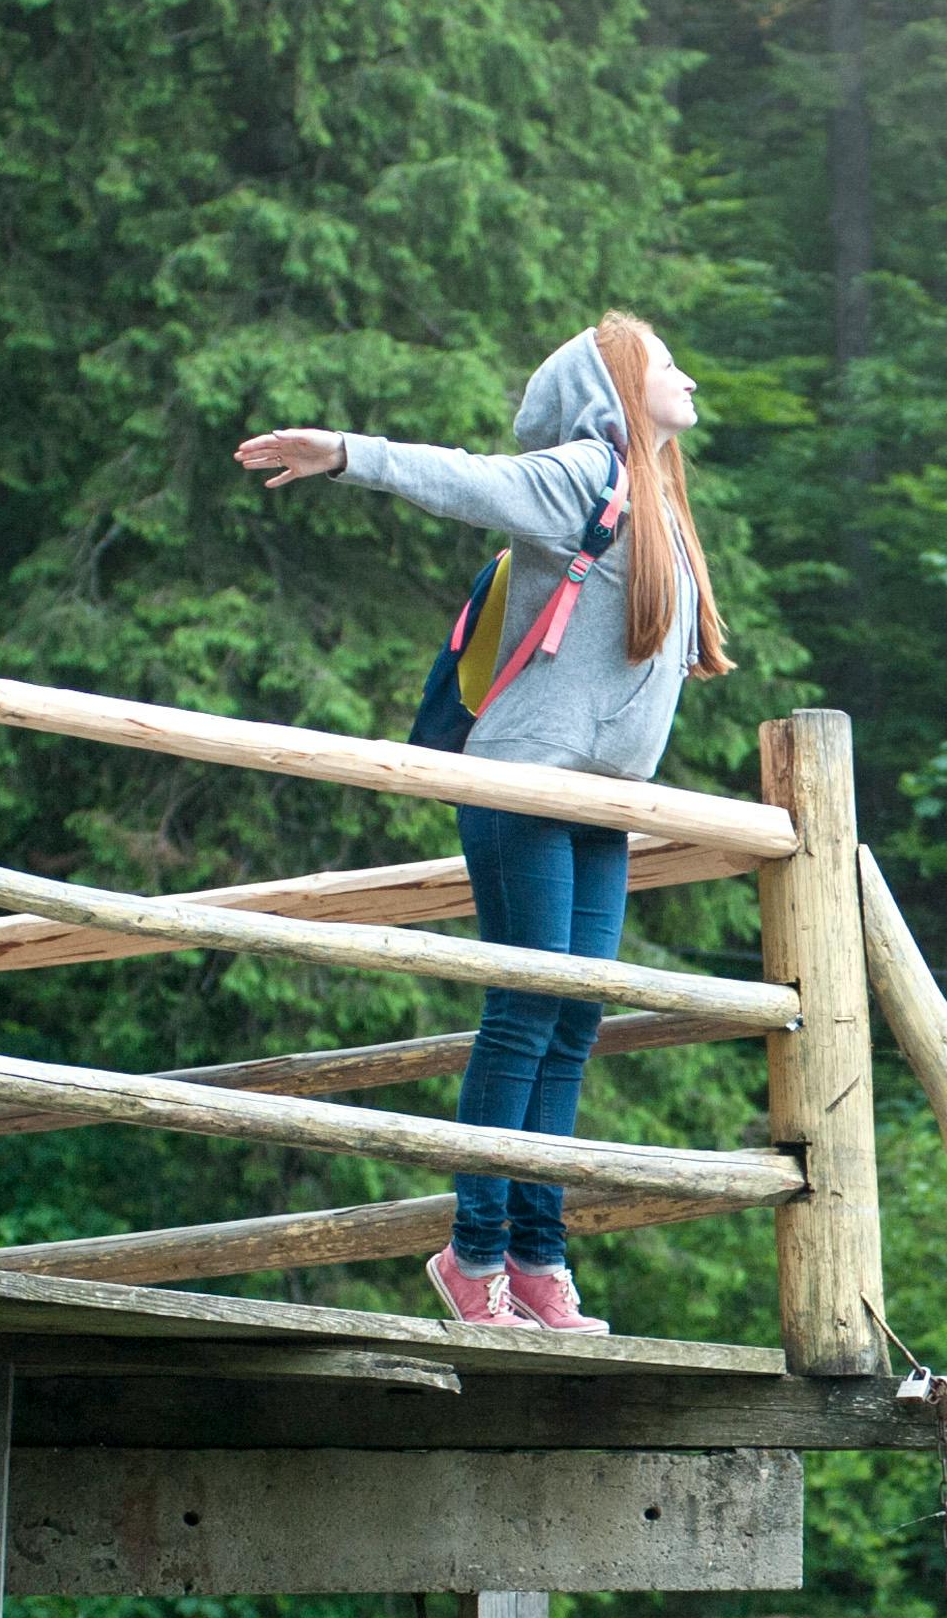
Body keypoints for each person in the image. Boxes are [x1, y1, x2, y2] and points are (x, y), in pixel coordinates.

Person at [233, 313, 732, 1334]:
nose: (687, 378)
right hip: (523, 785)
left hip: (599, 804)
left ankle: (538, 1261)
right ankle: (473, 1257)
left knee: (573, 1020)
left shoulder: (662, 502)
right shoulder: (585, 473)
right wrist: (346, 454)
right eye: (665, 364)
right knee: (526, 1012)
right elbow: (467, 479)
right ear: (613, 388)